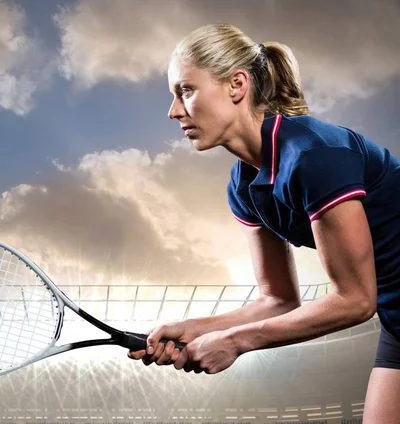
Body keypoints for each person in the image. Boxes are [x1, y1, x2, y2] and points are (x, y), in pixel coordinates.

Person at [127, 23, 400, 423]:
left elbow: (356, 300)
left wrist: (237, 341)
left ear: (237, 85)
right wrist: (195, 329)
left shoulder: (312, 157)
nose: (173, 111)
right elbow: (279, 300)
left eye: (185, 90)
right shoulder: (243, 188)